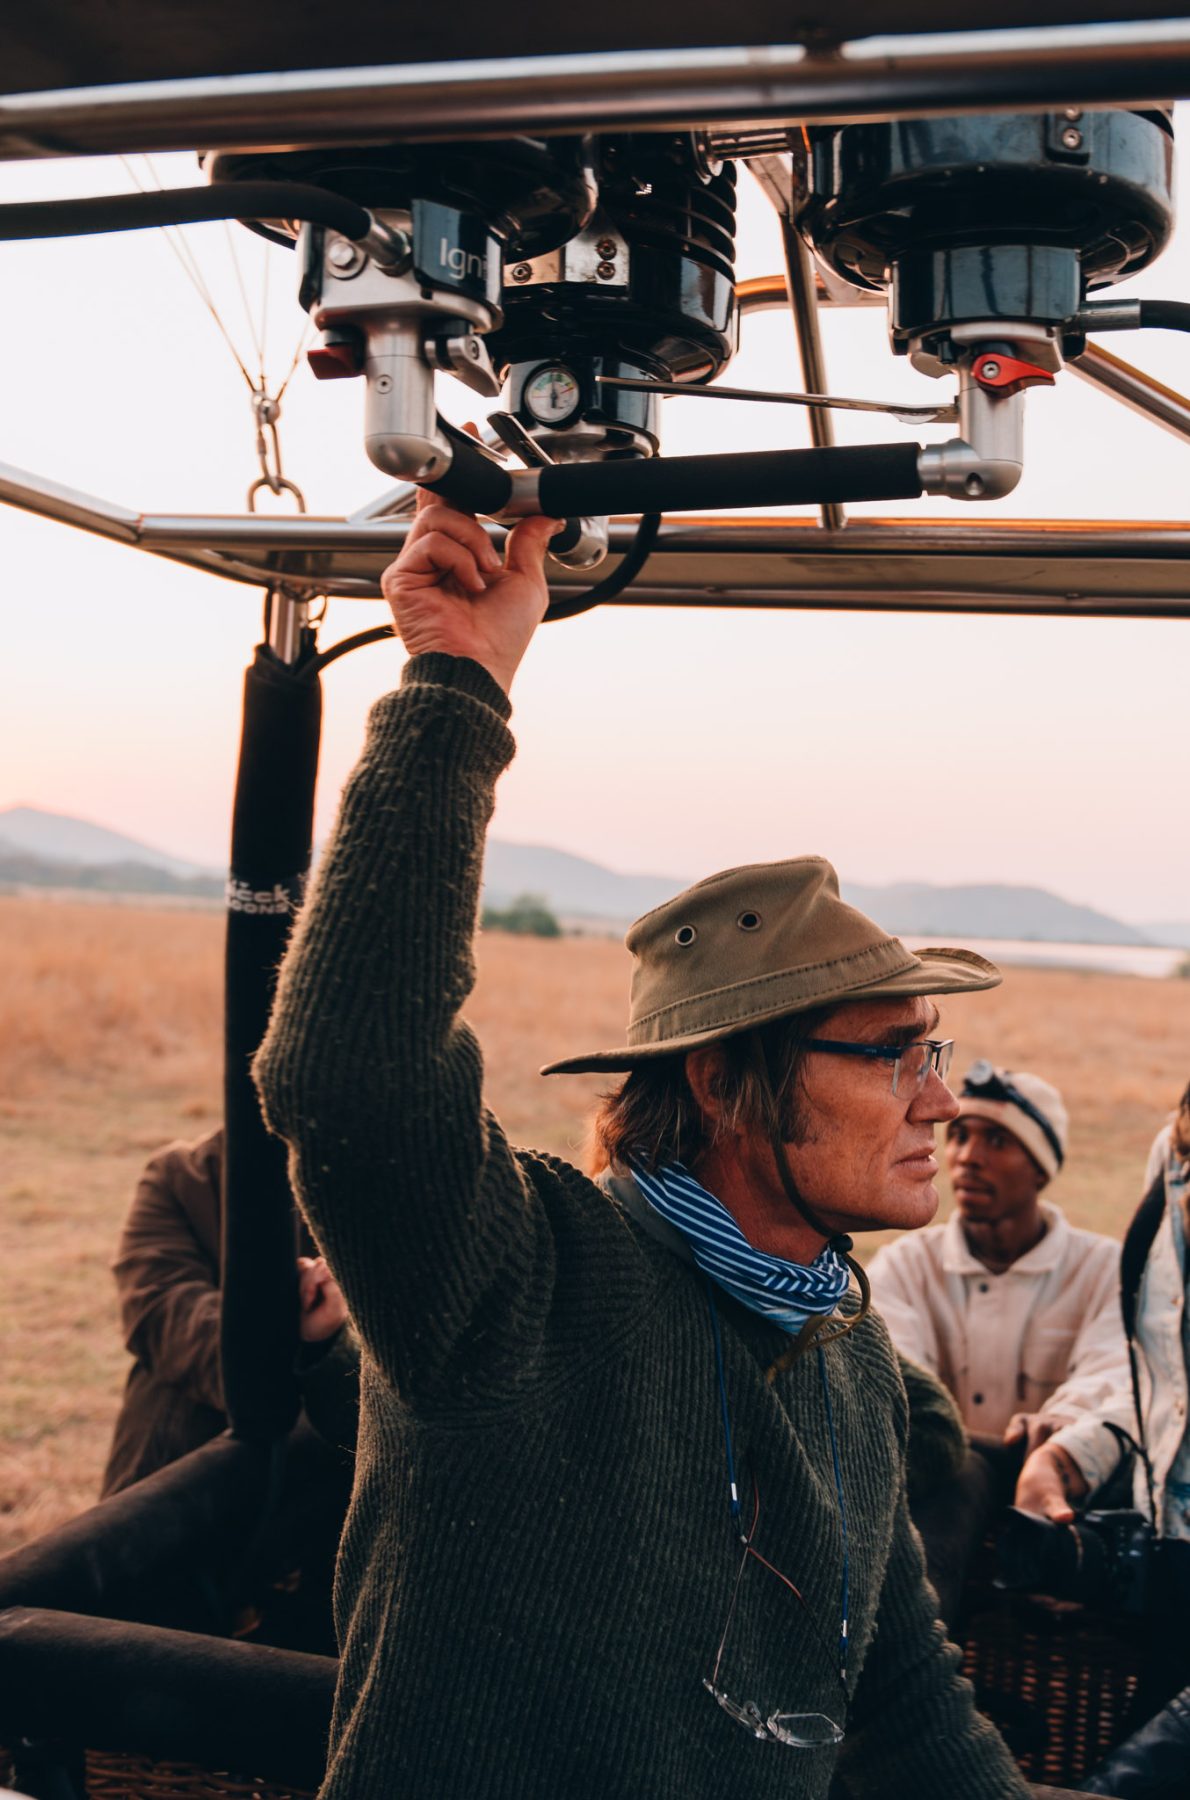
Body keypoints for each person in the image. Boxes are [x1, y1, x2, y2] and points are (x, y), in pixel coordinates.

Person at [252, 492, 1056, 1800]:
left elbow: (902, 1708)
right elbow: (348, 1075)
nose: (939, 1102)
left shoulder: (840, 1348)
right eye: (889, 1053)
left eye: (937, 1052)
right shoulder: (523, 1281)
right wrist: (456, 684)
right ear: (725, 1084)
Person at [868, 1063, 1130, 1484]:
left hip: (1067, 1483)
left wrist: (1068, 1427)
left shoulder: (1106, 1271)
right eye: (959, 1137)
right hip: (943, 1482)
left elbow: (1116, 1373)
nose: (969, 1157)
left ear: (1042, 1168)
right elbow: (897, 1385)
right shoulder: (903, 1266)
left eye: (997, 1140)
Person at [102, 1126, 351, 1496]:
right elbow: (160, 1311)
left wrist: (333, 1342)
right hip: (180, 1466)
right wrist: (287, 1334)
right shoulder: (185, 1176)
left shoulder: (415, 1187)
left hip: (337, 1487)